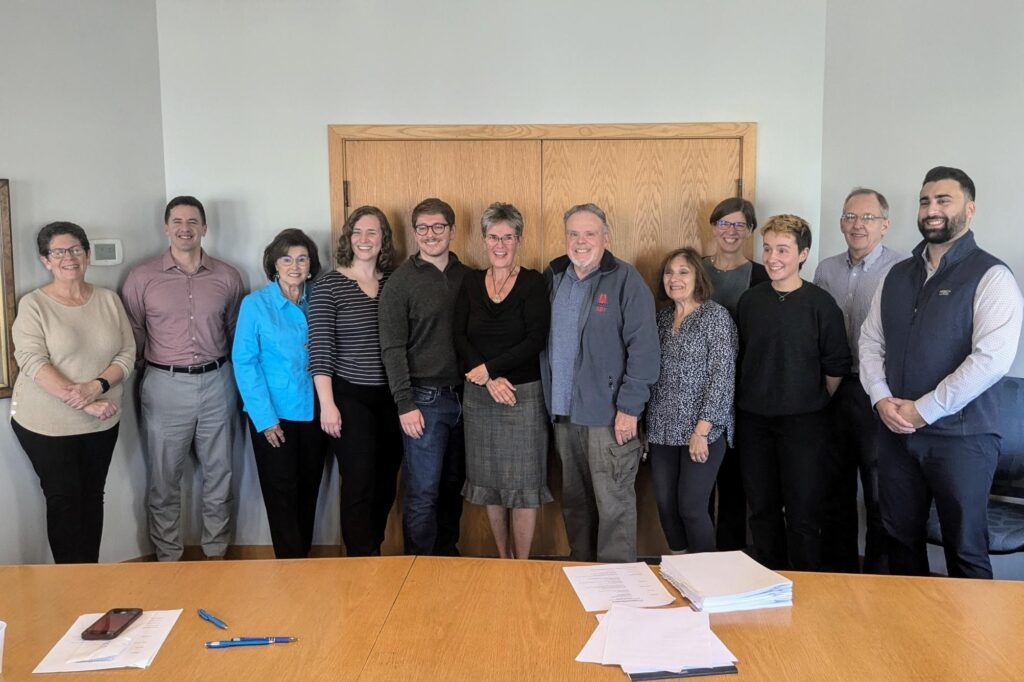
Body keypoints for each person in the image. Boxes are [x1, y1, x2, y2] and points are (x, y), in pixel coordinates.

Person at [860, 166, 1023, 579]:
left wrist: (924, 410)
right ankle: (910, 639)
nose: (931, 209)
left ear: (969, 209)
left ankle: (969, 645)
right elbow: (870, 341)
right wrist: (881, 398)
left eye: (943, 200)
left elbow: (991, 361)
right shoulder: (896, 276)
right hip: (896, 433)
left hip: (962, 440)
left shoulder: (992, 275)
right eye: (925, 201)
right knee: (900, 540)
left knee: (965, 549)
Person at [122, 196, 244, 561]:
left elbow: (235, 332)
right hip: (163, 385)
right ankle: (168, 560)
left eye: (193, 221)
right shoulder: (141, 277)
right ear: (166, 227)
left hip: (218, 382)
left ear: (205, 228)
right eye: (177, 221)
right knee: (163, 481)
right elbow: (133, 333)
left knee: (219, 477)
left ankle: (216, 555)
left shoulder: (227, 276)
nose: (185, 227)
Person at [540, 203, 659, 563]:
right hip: (563, 416)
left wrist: (629, 408)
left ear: (605, 238)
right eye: (573, 234)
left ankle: (618, 586)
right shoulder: (554, 275)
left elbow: (645, 350)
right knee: (575, 505)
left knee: (614, 505)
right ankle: (584, 575)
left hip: (609, 418)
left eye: (589, 233)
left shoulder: (626, 279)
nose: (580, 241)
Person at [10, 222, 135, 563]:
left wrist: (97, 388)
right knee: (64, 501)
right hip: (47, 424)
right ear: (45, 261)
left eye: (76, 250)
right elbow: (32, 361)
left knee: (93, 497)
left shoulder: (108, 299)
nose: (69, 257)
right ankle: (71, 584)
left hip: (102, 420)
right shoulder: (34, 304)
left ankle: (89, 577)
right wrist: (84, 402)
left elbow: (127, 353)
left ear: (87, 255)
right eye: (59, 252)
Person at [735, 214, 851, 571]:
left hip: (805, 425)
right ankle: (767, 581)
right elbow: (741, 357)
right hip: (754, 422)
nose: (772, 258)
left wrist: (805, 400)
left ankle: (807, 587)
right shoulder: (750, 301)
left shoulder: (821, 304)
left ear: (803, 254)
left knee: (802, 512)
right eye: (767, 249)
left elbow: (835, 368)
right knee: (762, 510)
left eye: (782, 250)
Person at [454, 202, 552, 559]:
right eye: (493, 236)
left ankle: (521, 564)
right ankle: (503, 559)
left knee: (524, 485)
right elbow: (460, 336)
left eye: (507, 237)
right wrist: (488, 376)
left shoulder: (533, 282)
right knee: (490, 483)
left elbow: (535, 338)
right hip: (480, 397)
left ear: (519, 239)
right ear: (483, 240)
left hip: (522, 396)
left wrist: (492, 370)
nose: (500, 244)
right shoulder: (469, 281)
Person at [814, 188, 904, 574]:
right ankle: (839, 574)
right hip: (834, 388)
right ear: (840, 223)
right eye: (851, 217)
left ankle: (880, 577)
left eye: (867, 218)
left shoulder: (902, 270)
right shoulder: (825, 269)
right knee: (835, 489)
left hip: (878, 391)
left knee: (879, 490)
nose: (857, 225)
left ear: (884, 225)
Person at [310, 206, 403, 557]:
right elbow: (319, 350)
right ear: (349, 238)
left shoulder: (394, 283)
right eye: (358, 232)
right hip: (349, 398)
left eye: (373, 233)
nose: (365, 239)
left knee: (386, 483)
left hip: (392, 398)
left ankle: (373, 550)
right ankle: (360, 561)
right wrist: (328, 405)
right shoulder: (329, 286)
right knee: (359, 482)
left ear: (383, 240)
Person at [379, 198, 470, 556]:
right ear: (414, 232)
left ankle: (446, 557)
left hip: (466, 398)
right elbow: (392, 348)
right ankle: (418, 566)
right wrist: (405, 403)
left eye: (438, 227)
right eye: (422, 228)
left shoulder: (469, 276)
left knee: (453, 486)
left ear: (451, 230)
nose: (430, 235)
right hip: (424, 401)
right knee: (423, 491)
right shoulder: (400, 283)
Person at [233, 229, 325, 559]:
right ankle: (290, 564)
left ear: (311, 266)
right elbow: (245, 363)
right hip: (275, 416)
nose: (294, 265)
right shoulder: (255, 305)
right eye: (286, 259)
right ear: (274, 264)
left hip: (316, 412)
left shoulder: (320, 299)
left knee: (309, 488)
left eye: (302, 259)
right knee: (281, 492)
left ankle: (303, 561)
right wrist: (265, 420)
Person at [646, 247, 737, 555]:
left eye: (683, 271)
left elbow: (722, 378)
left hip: (702, 431)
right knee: (665, 505)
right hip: (661, 429)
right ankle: (680, 566)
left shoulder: (716, 317)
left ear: (698, 277)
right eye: (669, 272)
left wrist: (702, 431)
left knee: (691, 507)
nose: (675, 278)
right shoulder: (660, 320)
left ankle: (705, 577)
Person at [702, 197, 770, 551]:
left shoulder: (761, 275)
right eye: (724, 223)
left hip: (741, 391)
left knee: (733, 481)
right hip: (696, 393)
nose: (731, 231)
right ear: (713, 227)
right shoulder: (694, 270)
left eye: (740, 225)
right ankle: (699, 558)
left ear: (750, 231)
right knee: (697, 483)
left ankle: (728, 556)